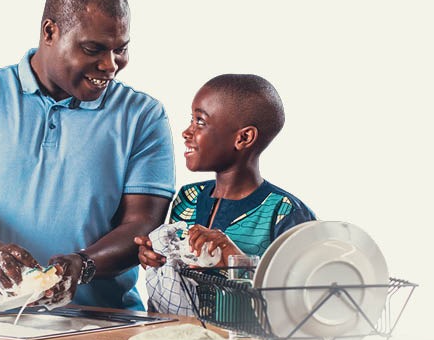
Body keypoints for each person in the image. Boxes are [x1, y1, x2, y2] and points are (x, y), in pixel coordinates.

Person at [0, 0, 175, 311]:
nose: (110, 65)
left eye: (121, 49)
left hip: (106, 322)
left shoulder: (143, 115)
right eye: (93, 49)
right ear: (50, 32)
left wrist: (83, 265)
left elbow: (143, 224)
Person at [134, 74, 316, 316]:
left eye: (200, 121)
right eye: (191, 120)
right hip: (179, 335)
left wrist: (234, 257)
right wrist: (155, 257)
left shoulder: (285, 212)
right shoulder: (188, 198)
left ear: (243, 138)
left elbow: (304, 301)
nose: (186, 132)